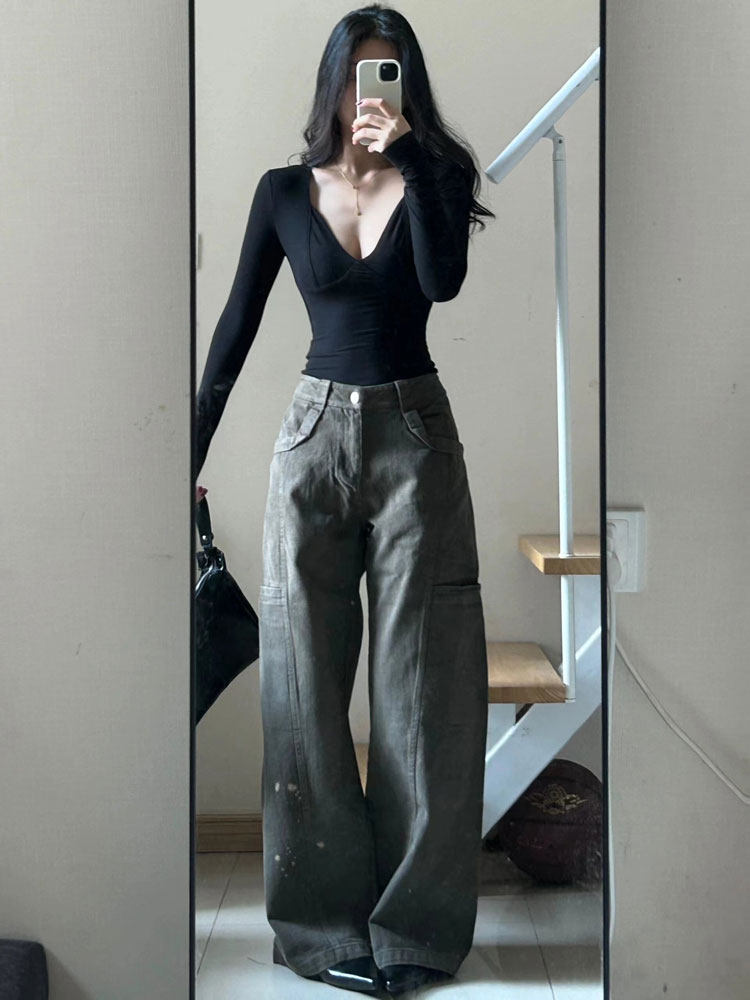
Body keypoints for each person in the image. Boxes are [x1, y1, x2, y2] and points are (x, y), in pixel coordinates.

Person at [195, 5, 495, 995]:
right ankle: (325, 932)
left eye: (390, 71)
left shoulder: (438, 175)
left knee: (425, 687)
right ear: (333, 83)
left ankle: (415, 930)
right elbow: (236, 325)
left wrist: (411, 158)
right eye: (361, 71)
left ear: (407, 84)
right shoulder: (283, 191)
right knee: (303, 687)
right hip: (310, 439)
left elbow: (442, 284)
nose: (372, 90)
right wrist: (184, 455)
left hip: (416, 437)